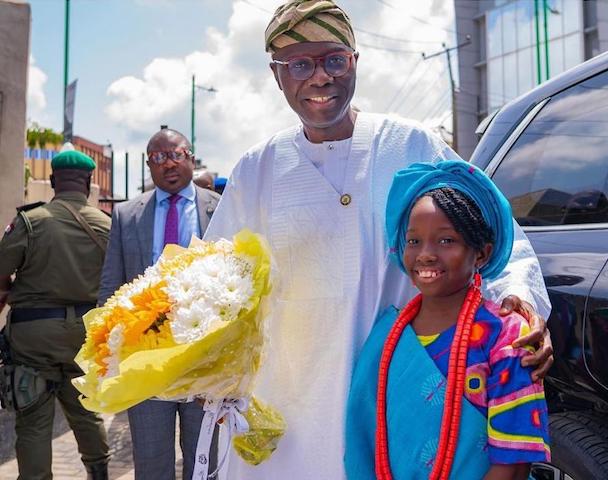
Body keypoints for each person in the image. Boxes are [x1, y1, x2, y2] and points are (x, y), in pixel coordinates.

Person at [204, 1, 553, 477]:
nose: (320, 77)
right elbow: (212, 286)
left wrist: (520, 305)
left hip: (403, 396)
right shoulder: (257, 169)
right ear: (277, 74)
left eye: (334, 59)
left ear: (355, 61)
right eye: (300, 64)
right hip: (288, 413)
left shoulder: (410, 146)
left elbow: (493, 231)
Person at [345, 161, 550, 479]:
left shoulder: (506, 337)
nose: (425, 254)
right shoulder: (387, 339)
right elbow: (364, 443)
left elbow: (512, 464)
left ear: (481, 254)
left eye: (446, 240)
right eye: (413, 241)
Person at [98, 126, 220, 480]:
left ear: (191, 158)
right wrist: (108, 351)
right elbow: (111, 282)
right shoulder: (125, 215)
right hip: (145, 356)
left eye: (176, 154)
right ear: (148, 165)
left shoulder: (221, 207)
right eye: (158, 157)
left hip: (204, 358)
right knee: (151, 464)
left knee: (204, 462)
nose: (167, 163)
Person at [0, 149, 111, 479]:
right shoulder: (108, 225)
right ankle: (100, 472)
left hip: (34, 337)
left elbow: (1, 273)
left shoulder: (30, 222)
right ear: (89, 182)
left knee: (32, 418)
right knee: (87, 409)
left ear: (52, 181)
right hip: (87, 335)